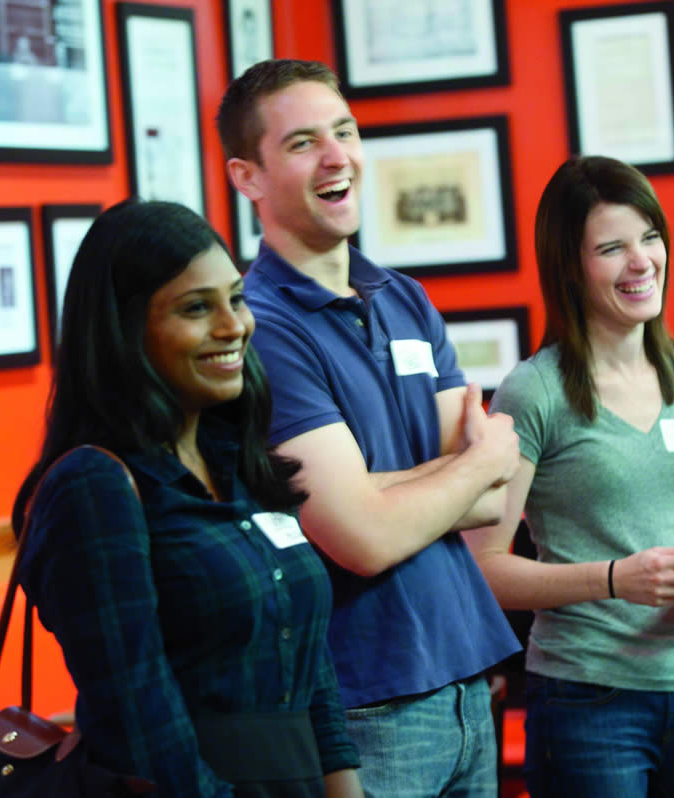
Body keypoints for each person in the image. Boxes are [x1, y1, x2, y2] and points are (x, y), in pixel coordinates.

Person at [217, 59, 522, 797]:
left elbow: (493, 496)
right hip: (368, 703)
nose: (337, 157)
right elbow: (361, 538)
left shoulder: (405, 298)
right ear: (247, 177)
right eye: (301, 143)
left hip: (469, 680)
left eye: (345, 131)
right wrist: (465, 467)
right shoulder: (261, 326)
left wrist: (382, 490)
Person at [10, 199, 363, 797]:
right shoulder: (95, 487)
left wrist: (344, 787)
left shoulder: (242, 463)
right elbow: (139, 724)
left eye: (237, 298)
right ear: (125, 331)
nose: (234, 327)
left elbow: (312, 671)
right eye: (197, 308)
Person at [462, 155, 674, 797]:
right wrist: (612, 579)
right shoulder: (534, 391)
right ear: (570, 266)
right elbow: (483, 569)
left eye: (650, 237)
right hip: (586, 700)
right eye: (612, 248)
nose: (642, 262)